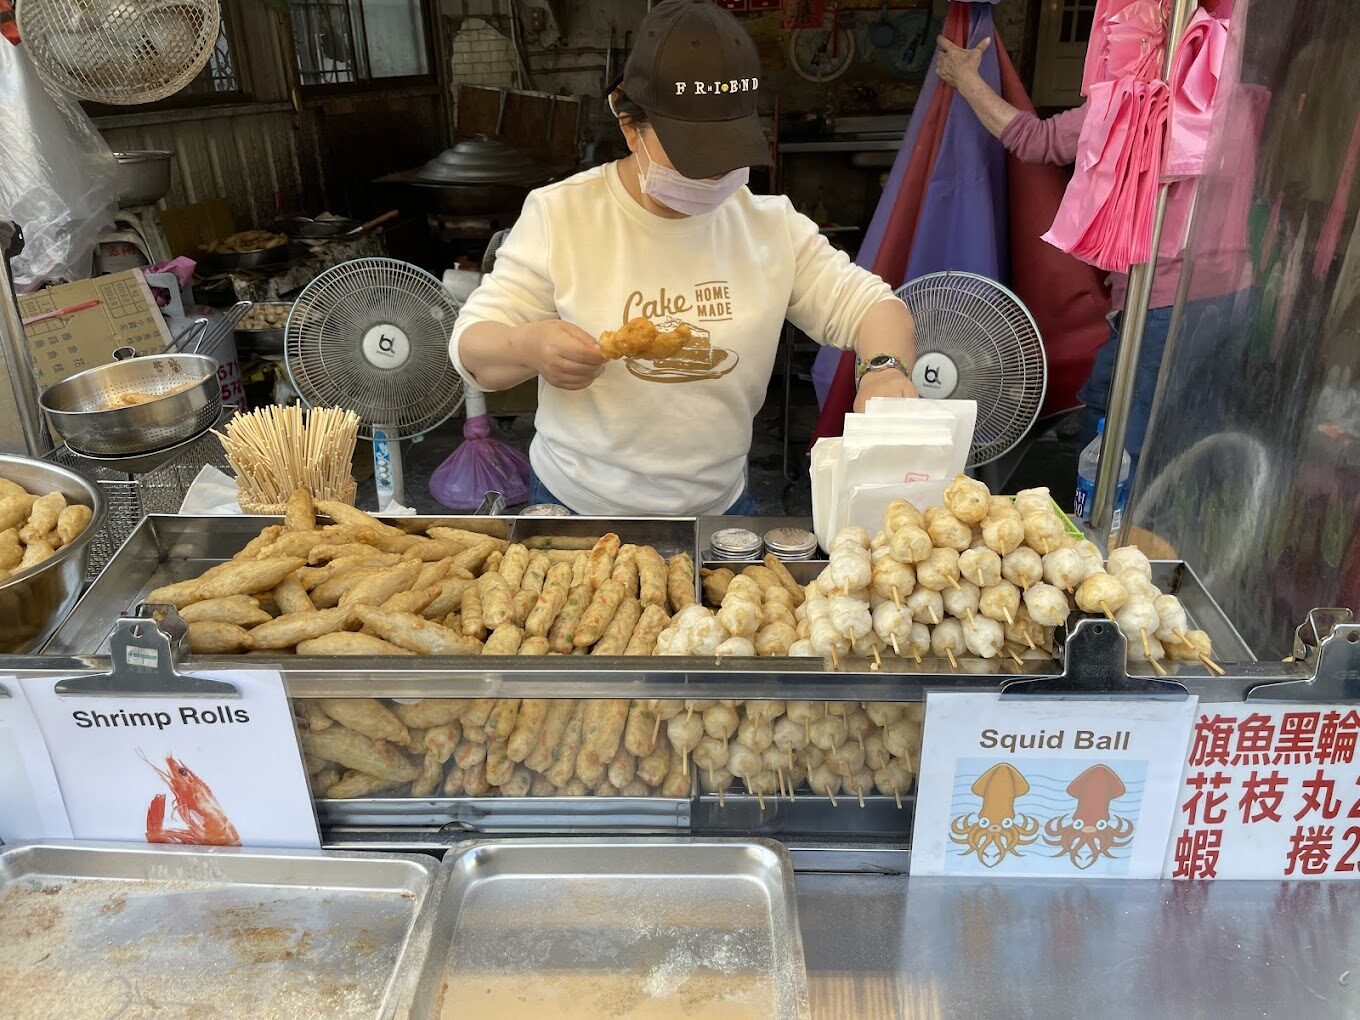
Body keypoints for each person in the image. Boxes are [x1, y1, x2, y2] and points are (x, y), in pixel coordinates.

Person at [451, 0, 917, 517]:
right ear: (629, 125)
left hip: (719, 506)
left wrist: (883, 368)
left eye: (727, 153)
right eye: (694, 156)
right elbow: (473, 349)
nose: (714, 176)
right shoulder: (562, 215)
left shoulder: (770, 226)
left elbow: (873, 306)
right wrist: (527, 344)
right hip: (578, 505)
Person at [934, 34, 1229, 479]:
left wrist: (965, 78)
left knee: (1113, 440)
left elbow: (1036, 140)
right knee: (1196, 441)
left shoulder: (1138, 101)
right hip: (1235, 297)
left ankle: (1108, 536)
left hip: (1162, 299)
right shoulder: (1235, 94)